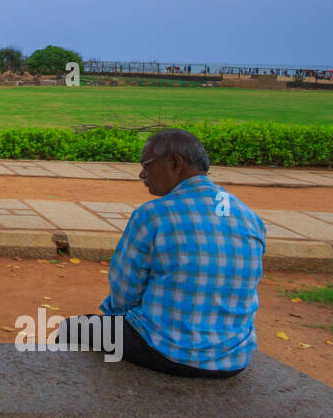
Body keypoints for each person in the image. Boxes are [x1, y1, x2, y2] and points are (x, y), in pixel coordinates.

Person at [61, 129, 264, 378]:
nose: (142, 174)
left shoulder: (153, 215)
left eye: (147, 165)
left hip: (168, 351)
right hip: (234, 359)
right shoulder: (247, 215)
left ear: (175, 163)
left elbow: (124, 295)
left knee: (72, 328)